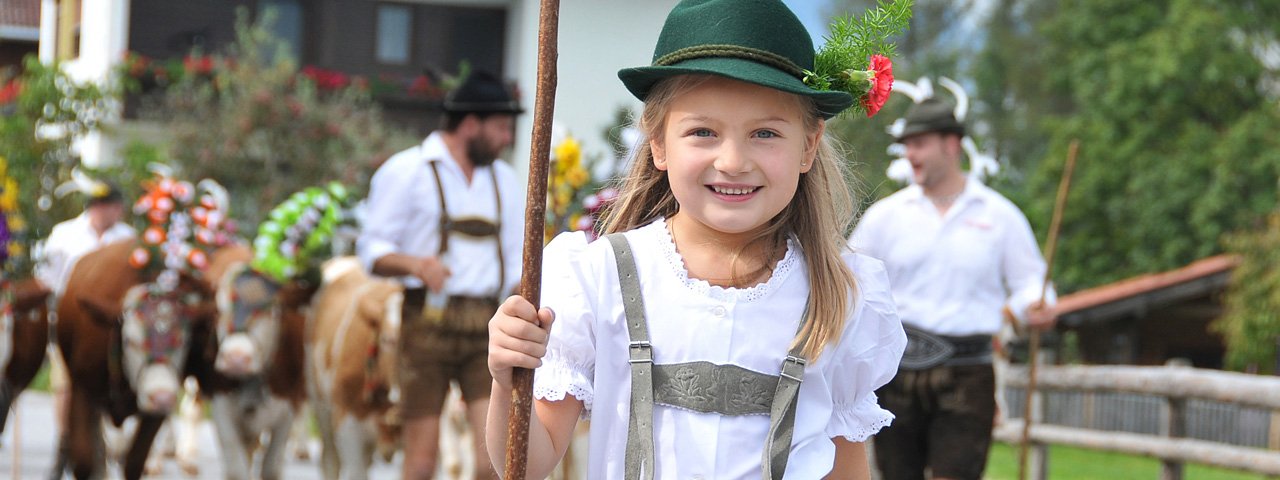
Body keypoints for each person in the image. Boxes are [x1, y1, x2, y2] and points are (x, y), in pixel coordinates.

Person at [485, 1, 907, 478]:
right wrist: (508, 379)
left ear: (808, 146)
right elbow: (525, 465)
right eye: (703, 131)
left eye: (765, 133)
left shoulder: (839, 294)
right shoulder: (598, 277)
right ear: (659, 142)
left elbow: (846, 465)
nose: (732, 161)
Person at [848, 97, 1058, 480]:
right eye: (907, 144)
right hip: (896, 373)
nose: (909, 153)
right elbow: (849, 282)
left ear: (951, 145)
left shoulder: (1000, 217)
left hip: (968, 374)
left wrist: (1031, 307)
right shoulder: (885, 218)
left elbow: (1033, 285)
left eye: (919, 143)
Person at [357, 70, 525, 480]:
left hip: (489, 325)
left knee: (494, 461)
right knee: (422, 460)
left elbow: (519, 260)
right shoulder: (406, 171)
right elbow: (371, 250)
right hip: (426, 324)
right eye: (501, 128)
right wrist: (415, 265)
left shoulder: (506, 179)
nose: (507, 139)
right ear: (471, 124)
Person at [33, 178, 135, 478]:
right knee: (66, 388)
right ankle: (66, 444)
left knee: (115, 388)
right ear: (93, 206)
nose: (109, 211)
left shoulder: (128, 238)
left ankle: (101, 448)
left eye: (114, 206)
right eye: (103, 205)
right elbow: (47, 280)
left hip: (115, 330)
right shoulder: (64, 234)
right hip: (72, 326)